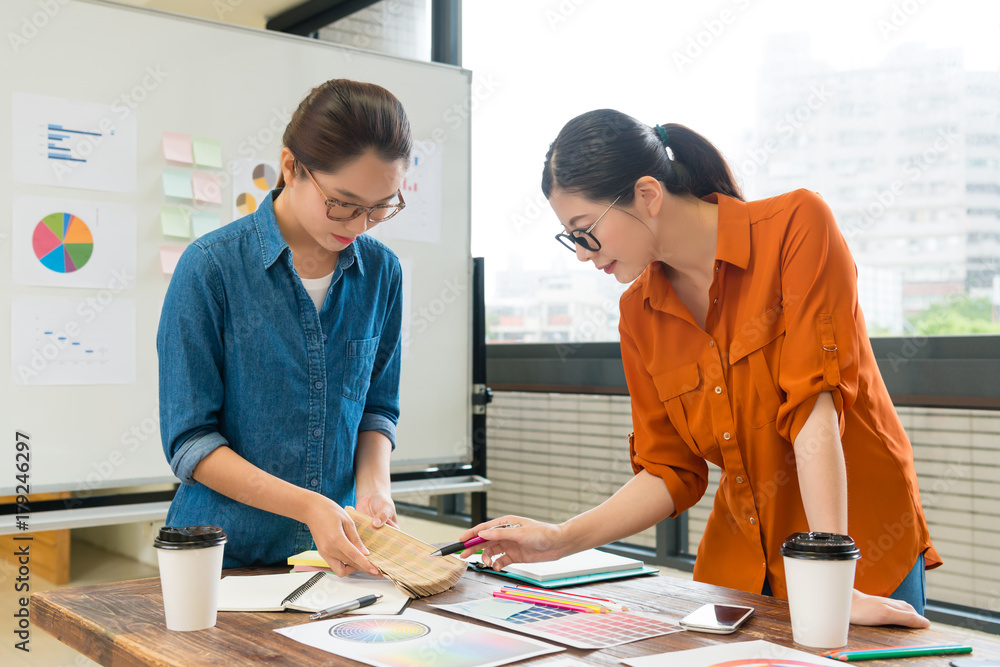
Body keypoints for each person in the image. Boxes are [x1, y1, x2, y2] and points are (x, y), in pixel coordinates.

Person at [459, 109, 940, 628]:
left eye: (585, 231)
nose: (580, 254)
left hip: (855, 552)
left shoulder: (796, 227)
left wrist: (830, 584)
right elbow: (670, 470)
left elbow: (813, 411)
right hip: (742, 564)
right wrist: (560, 539)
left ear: (647, 194)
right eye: (569, 237)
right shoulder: (638, 312)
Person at [157, 79, 410, 576]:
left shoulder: (383, 272)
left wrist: (374, 489)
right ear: (291, 167)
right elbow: (190, 441)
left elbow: (377, 408)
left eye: (380, 207)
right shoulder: (210, 268)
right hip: (221, 557)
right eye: (343, 203)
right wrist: (308, 505)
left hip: (331, 559)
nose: (359, 225)